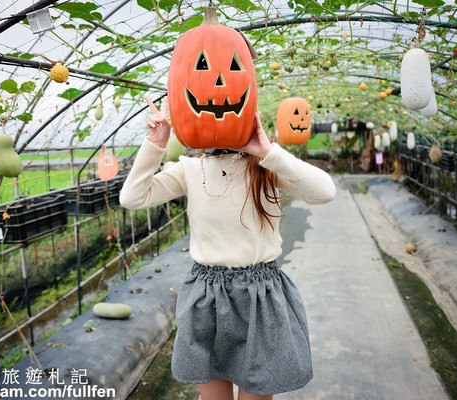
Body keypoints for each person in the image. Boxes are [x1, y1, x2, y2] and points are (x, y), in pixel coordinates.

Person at [119, 96, 336, 400]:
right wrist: (155, 144)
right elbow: (132, 198)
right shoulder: (188, 169)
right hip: (208, 296)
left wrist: (268, 152)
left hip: (261, 296)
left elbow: (325, 191)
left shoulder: (266, 165)